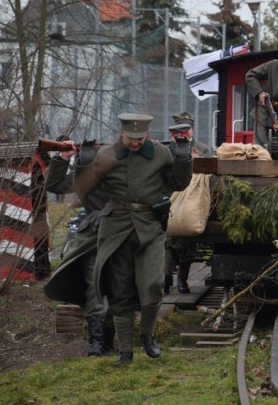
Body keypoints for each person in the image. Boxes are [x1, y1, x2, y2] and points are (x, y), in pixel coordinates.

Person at [75, 113, 193, 366]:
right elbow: (86, 191)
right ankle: (125, 351)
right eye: (131, 138)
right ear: (121, 133)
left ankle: (147, 336)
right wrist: (83, 164)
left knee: (152, 286)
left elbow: (178, 183)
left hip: (150, 227)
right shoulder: (106, 155)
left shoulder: (161, 153)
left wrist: (183, 158)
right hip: (116, 228)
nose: (136, 143)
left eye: (141, 138)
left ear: (148, 135)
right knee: (120, 292)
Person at [43, 135, 114, 357]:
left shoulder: (118, 174)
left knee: (117, 291)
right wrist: (63, 157)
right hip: (92, 240)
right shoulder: (82, 177)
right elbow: (54, 185)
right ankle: (97, 341)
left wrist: (106, 212)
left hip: (119, 238)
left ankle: (110, 339)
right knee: (94, 288)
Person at [163, 111, 211, 294]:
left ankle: (182, 280)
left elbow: (210, 173)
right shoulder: (166, 150)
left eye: (186, 130)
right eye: (177, 132)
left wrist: (199, 162)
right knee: (166, 241)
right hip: (168, 199)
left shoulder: (202, 149)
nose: (182, 135)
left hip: (190, 199)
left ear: (192, 130)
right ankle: (165, 278)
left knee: (187, 245)